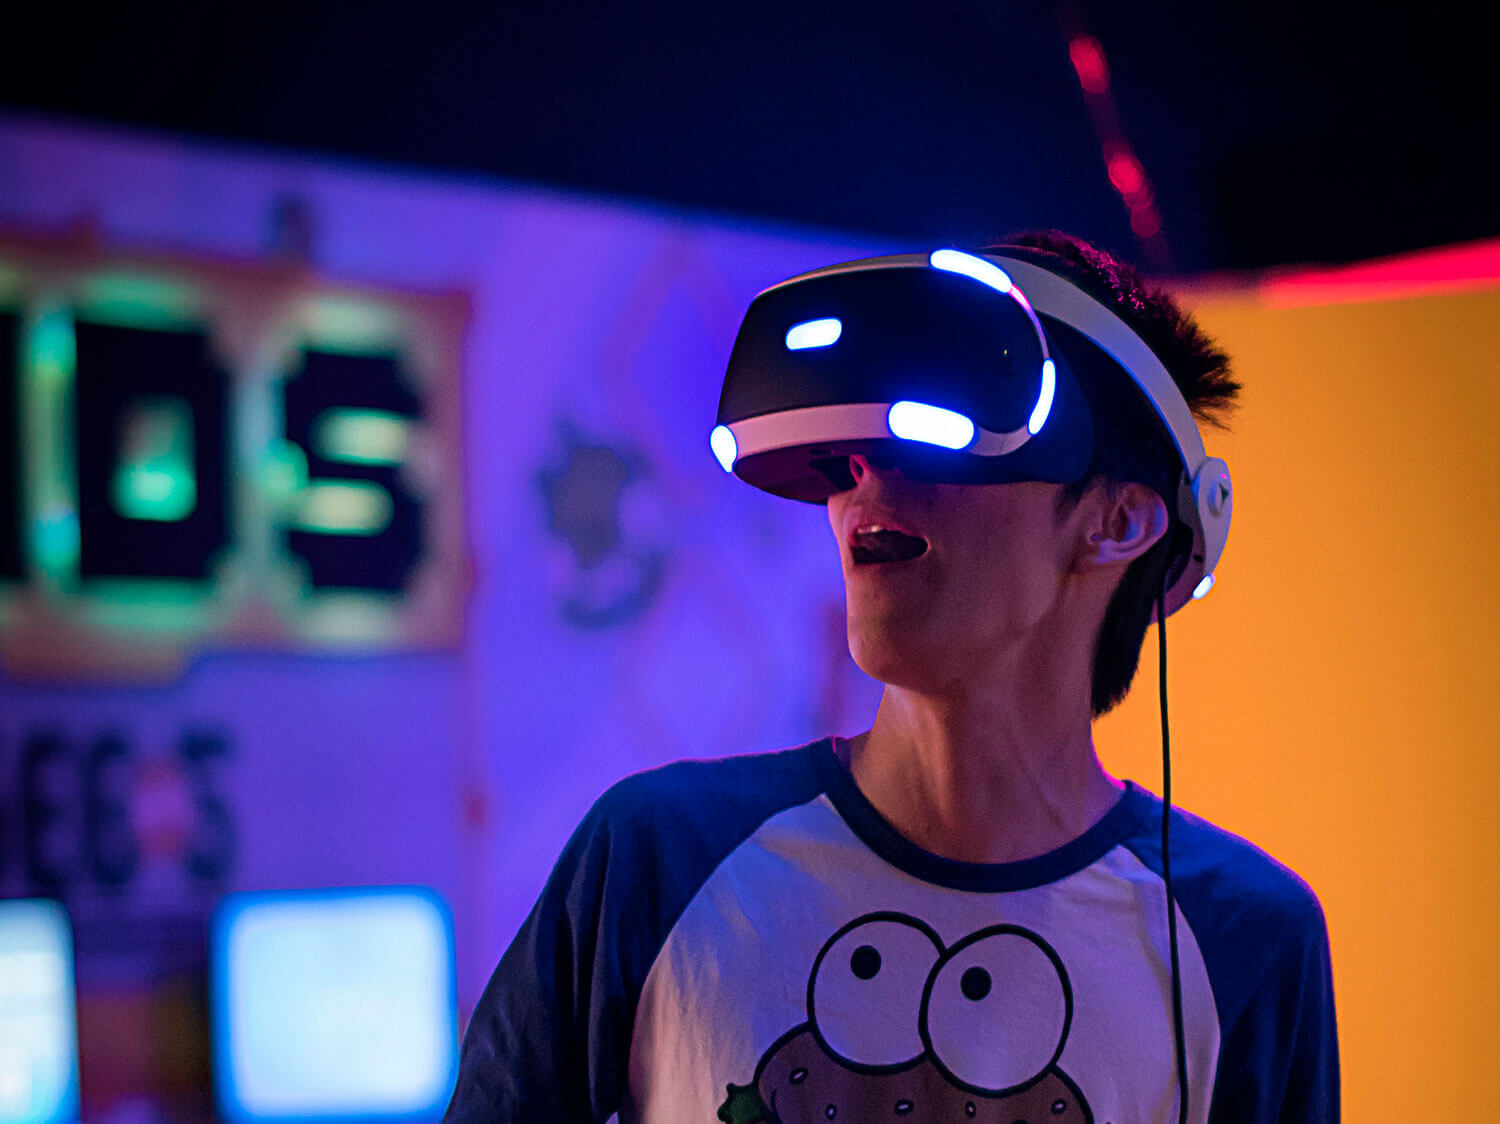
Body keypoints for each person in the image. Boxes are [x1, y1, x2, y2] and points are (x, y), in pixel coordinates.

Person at [442, 231, 1339, 1123]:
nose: (866, 473)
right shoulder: (656, 857)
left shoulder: (1245, 939)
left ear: (1117, 522)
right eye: (848, 454)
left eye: (938, 433)